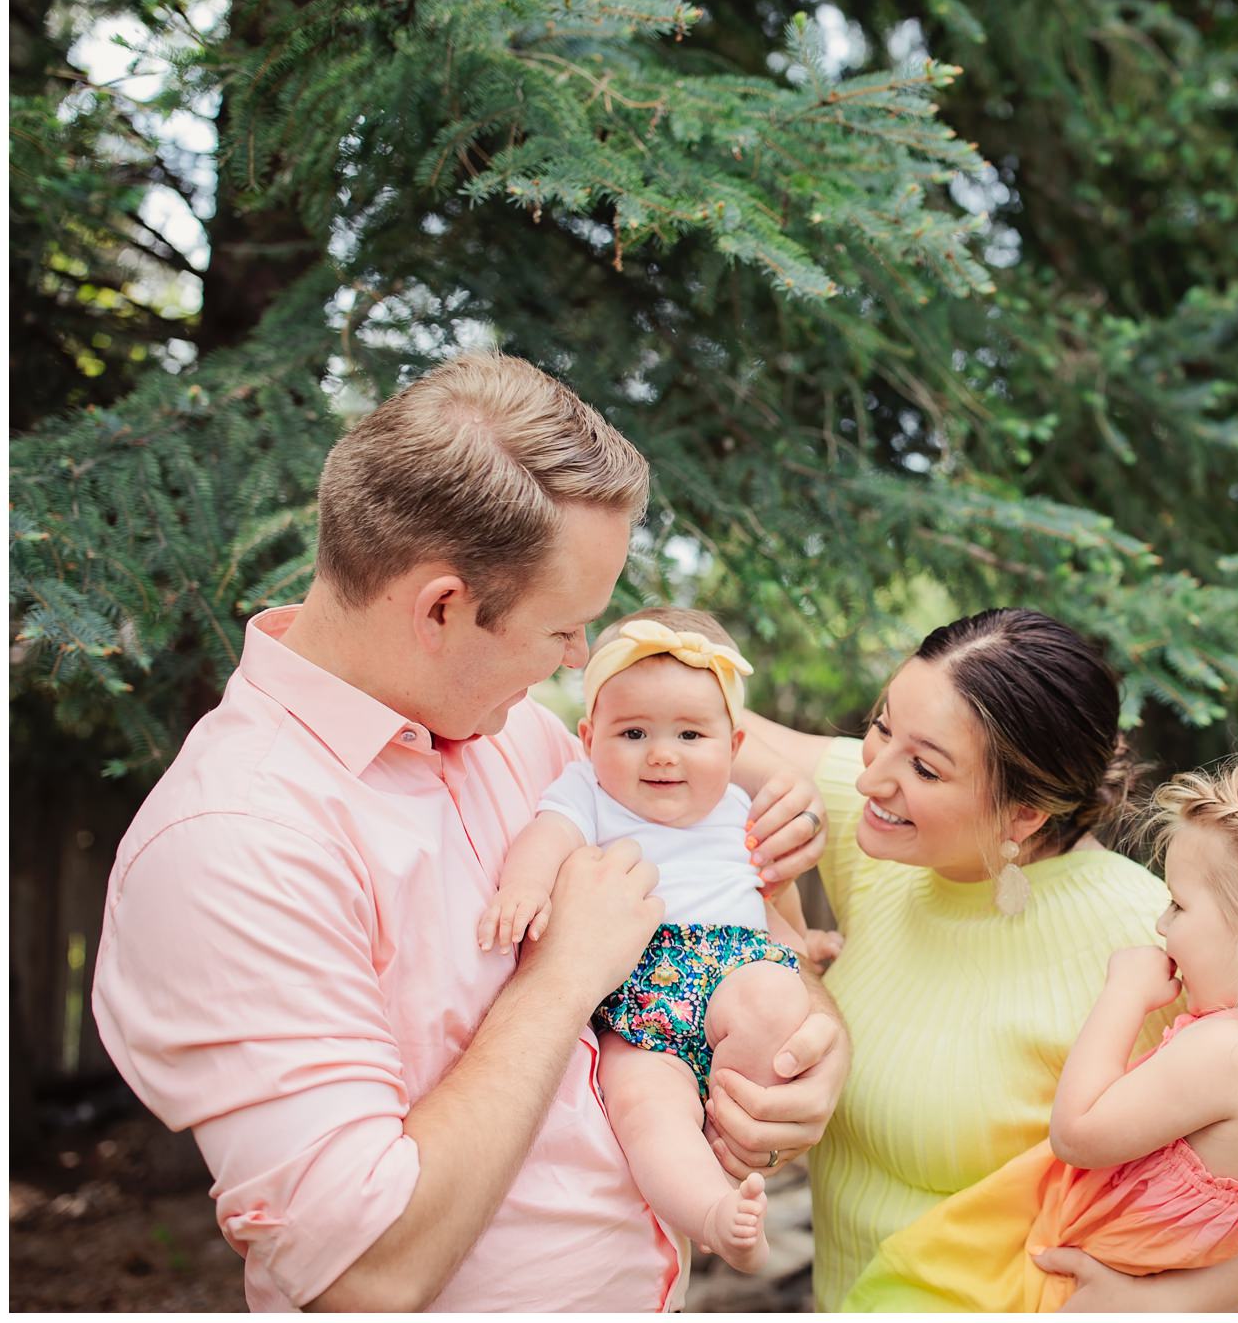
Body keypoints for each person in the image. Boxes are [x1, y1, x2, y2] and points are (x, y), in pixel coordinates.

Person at [91, 352, 845, 1312]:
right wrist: (564, 975)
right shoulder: (234, 845)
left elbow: (741, 932)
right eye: (562, 629)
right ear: (442, 607)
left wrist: (809, 1064)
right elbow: (362, 1275)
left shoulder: (521, 736)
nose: (578, 660)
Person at [735, 608, 1238, 1311]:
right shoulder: (888, 830)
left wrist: (1171, 1303)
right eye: (880, 726)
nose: (869, 778)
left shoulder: (1155, 945)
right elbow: (684, 707)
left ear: (1024, 814)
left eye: (923, 765)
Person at [843, 755, 1238, 1310]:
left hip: (1069, 1285)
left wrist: (1123, 993)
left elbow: (1078, 1133)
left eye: (1178, 905)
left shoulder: (1232, 1051)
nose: (1161, 924)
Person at [477, 607, 812, 1273]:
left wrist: (805, 947)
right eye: (633, 732)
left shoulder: (739, 810)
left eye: (690, 733)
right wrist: (524, 888)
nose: (662, 753)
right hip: (635, 997)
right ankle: (715, 1217)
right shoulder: (589, 792)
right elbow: (547, 838)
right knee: (644, 1111)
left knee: (774, 1003)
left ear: (733, 747)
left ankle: (728, 1130)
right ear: (588, 736)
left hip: (732, 967)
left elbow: (772, 902)